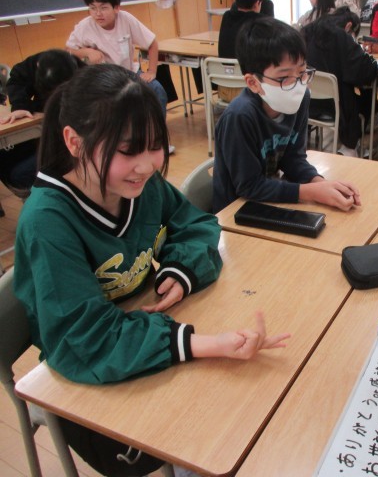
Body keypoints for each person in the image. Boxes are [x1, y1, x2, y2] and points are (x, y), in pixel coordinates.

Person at [13, 64, 290, 475]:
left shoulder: (137, 184)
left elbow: (197, 226)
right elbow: (84, 337)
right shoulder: (47, 221)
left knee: (245, 413)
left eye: (156, 145)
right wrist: (203, 344)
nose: (146, 165)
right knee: (209, 437)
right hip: (90, 377)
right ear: (73, 141)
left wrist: (179, 270)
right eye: (127, 151)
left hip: (148, 337)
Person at [212, 18, 362, 214]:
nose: (298, 85)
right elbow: (248, 186)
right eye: (284, 78)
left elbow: (293, 158)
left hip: (271, 201)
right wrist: (312, 193)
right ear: (253, 83)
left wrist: (320, 183)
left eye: (302, 72)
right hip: (235, 212)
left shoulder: (299, 99)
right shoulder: (239, 116)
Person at [65, 0, 169, 119]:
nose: (98, 14)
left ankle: (157, 129)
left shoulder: (126, 19)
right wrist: (87, 52)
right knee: (110, 105)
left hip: (128, 73)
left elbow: (152, 43)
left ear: (116, 8)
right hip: (102, 79)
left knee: (157, 90)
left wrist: (151, 71)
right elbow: (68, 51)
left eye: (103, 8)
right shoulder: (85, 26)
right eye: (93, 8)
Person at [0, 49, 83, 192]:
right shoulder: (35, 63)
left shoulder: (84, 78)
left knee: (18, 173)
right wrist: (20, 106)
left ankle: (43, 191)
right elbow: (17, 81)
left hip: (68, 147)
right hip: (46, 133)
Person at [303, 7, 378, 157]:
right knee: (366, 94)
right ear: (349, 26)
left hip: (306, 101)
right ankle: (351, 146)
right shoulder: (340, 36)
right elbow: (367, 70)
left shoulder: (308, 31)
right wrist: (368, 57)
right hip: (335, 106)